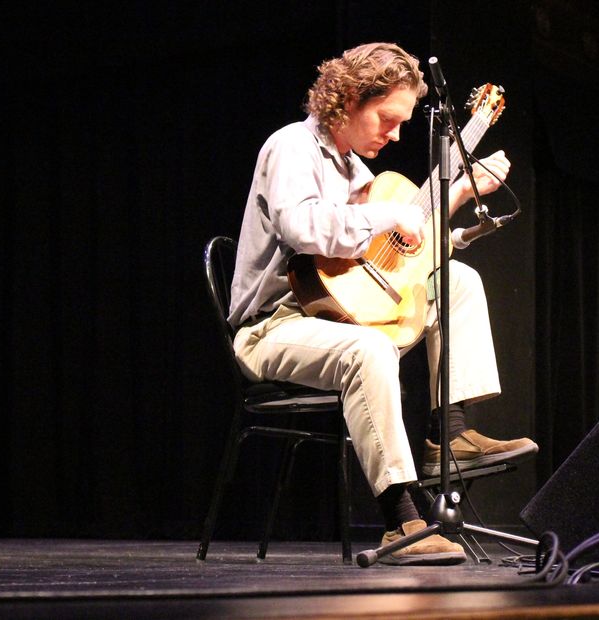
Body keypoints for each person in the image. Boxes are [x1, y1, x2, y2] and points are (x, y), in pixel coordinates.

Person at [228, 42, 537, 566]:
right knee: (369, 349)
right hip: (273, 327)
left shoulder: (359, 174)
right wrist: (390, 219)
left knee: (455, 279)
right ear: (348, 98)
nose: (395, 134)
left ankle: (451, 435)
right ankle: (402, 521)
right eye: (388, 119)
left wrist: (458, 200)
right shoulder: (291, 148)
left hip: (338, 311)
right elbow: (302, 228)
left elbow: (391, 261)